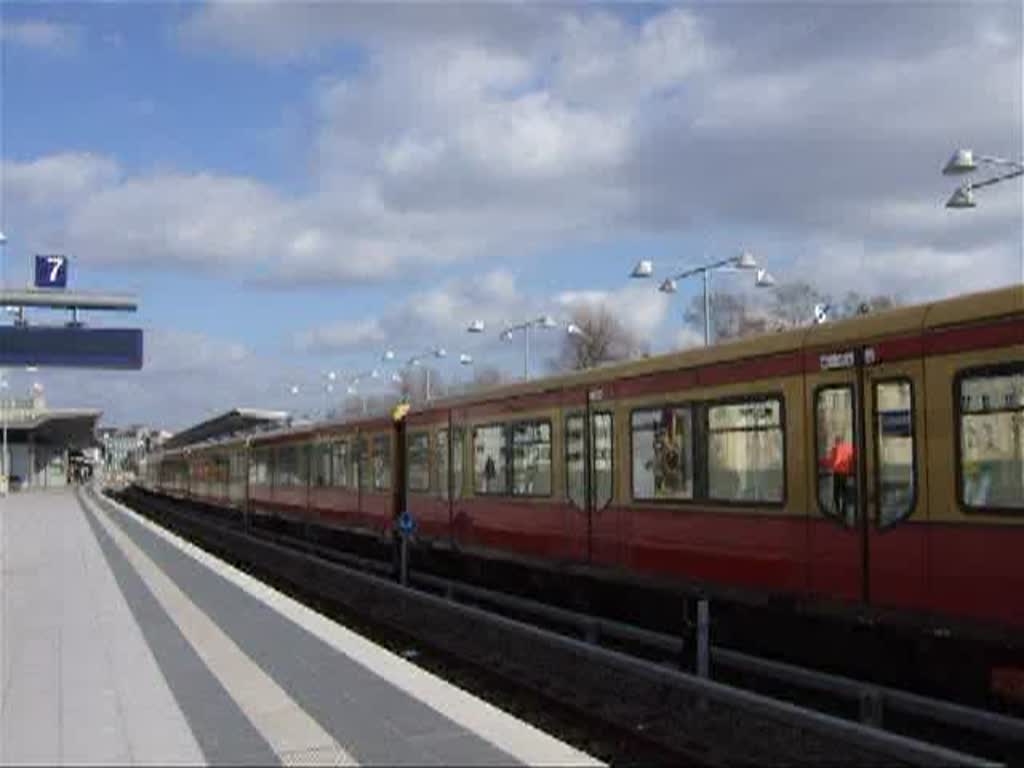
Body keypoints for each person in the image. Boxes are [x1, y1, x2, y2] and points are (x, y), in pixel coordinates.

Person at [823, 436, 855, 521]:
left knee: (836, 492)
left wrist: (823, 463)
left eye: (835, 441)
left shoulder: (835, 449)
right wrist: (851, 470)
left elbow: (832, 461)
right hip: (845, 473)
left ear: (837, 441)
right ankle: (844, 509)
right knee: (844, 491)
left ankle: (837, 510)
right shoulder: (849, 448)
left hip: (838, 473)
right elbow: (852, 459)